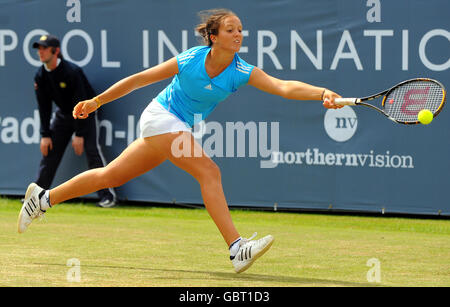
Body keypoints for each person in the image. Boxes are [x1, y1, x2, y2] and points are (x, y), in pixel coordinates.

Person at [18, 10, 342, 273]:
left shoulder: (242, 70)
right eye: (231, 30)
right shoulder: (190, 60)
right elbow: (139, 79)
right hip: (160, 117)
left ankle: (43, 199)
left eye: (241, 29)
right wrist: (96, 102)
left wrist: (323, 93)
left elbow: (284, 87)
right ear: (213, 37)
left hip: (176, 126)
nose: (239, 34)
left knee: (111, 176)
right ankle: (236, 248)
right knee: (209, 172)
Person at [30, 34, 116, 208]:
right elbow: (44, 107)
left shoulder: (72, 72)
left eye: (44, 48)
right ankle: (36, 198)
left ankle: (107, 196)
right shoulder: (40, 76)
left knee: (92, 151)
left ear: (56, 51)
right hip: (64, 115)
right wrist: (45, 134)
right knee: (50, 152)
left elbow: (82, 101)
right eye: (39, 48)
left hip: (86, 112)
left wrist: (79, 133)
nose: (41, 52)